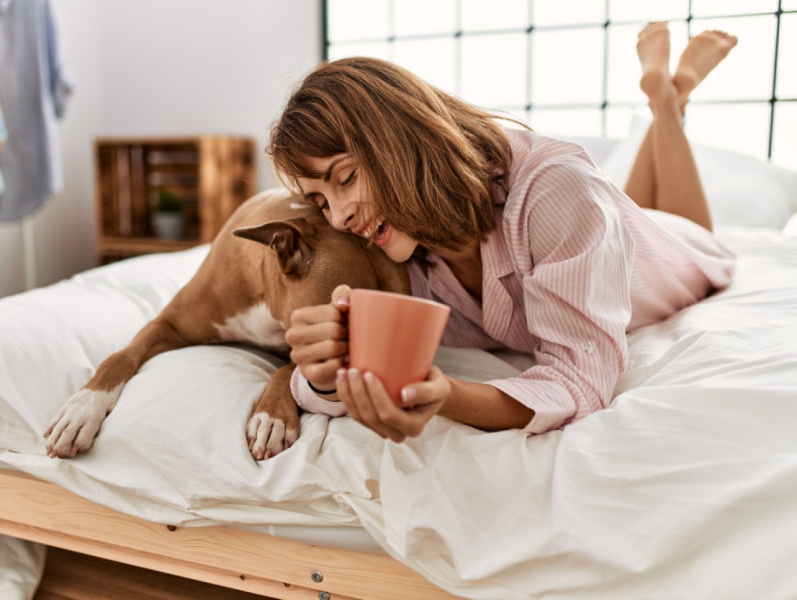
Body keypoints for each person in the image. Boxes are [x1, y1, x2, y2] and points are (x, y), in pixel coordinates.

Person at [269, 22, 738, 442]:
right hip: (604, 223)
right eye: (321, 201)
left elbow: (579, 382)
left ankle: (666, 100)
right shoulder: (402, 253)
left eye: (346, 178)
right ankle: (666, 97)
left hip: (665, 256)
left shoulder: (557, 191)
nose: (338, 218)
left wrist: (448, 395)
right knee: (631, 207)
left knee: (687, 228)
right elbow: (346, 382)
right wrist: (326, 371)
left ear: (400, 139)